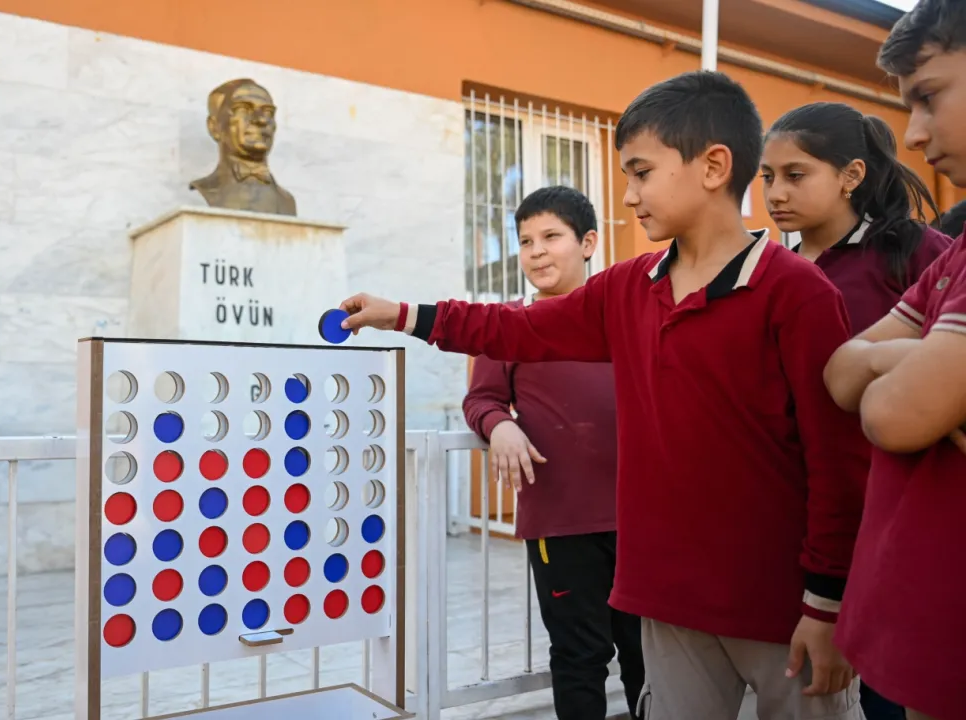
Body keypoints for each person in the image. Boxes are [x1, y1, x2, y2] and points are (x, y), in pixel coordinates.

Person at [338, 70, 869, 720]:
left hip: (782, 607)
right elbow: (514, 328)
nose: (628, 194)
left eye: (641, 172)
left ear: (713, 166)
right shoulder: (627, 288)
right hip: (667, 602)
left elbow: (839, 463)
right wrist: (404, 314)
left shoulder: (799, 294)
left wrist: (828, 602)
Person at [761, 102, 951, 720]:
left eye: (795, 175)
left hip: (899, 519)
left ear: (850, 176)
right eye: (767, 177)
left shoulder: (915, 252)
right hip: (803, 519)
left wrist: (877, 366)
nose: (775, 193)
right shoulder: (773, 270)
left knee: (896, 690)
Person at [823, 1, 966, 718]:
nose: (913, 134)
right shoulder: (956, 259)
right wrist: (917, 359)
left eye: (929, 97)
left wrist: (896, 370)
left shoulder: (922, 253)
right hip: (917, 617)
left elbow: (893, 415)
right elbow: (839, 373)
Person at [461, 186, 643, 720]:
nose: (536, 251)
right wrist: (499, 425)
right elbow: (481, 398)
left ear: (588, 243)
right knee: (580, 655)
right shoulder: (508, 325)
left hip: (640, 518)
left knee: (648, 656)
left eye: (551, 237)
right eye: (525, 241)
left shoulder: (624, 318)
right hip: (559, 524)